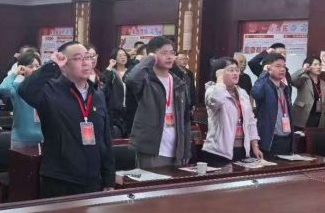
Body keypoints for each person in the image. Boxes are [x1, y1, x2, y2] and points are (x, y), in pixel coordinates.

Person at [18, 41, 114, 197]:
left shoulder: (97, 94)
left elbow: (105, 138)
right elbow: (25, 90)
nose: (86, 62)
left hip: (93, 179)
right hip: (60, 179)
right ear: (64, 65)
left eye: (88, 57)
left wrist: (109, 178)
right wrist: (52, 65)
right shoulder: (50, 90)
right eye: (78, 58)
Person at [126, 36, 192, 169]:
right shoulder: (146, 80)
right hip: (152, 148)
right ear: (153, 56)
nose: (169, 57)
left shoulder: (178, 83)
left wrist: (186, 150)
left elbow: (185, 119)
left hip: (176, 150)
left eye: (172, 53)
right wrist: (149, 59)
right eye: (164, 53)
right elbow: (131, 79)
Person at [202, 57, 261, 164]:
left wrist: (255, 146)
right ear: (219, 73)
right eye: (230, 70)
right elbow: (217, 101)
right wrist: (220, 81)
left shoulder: (242, 93)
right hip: (218, 151)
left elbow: (251, 121)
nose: (235, 73)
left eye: (237, 70)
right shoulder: (212, 90)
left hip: (242, 150)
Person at [252, 52, 294, 157]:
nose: (282, 69)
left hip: (287, 139)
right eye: (278, 66)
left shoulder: (285, 88)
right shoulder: (265, 86)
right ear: (268, 68)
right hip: (271, 140)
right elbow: (255, 93)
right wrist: (264, 73)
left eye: (284, 66)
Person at [0, 51, 43, 150]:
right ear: (23, 68)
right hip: (21, 138)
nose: (35, 69)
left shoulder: (45, 87)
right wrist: (15, 73)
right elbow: (3, 88)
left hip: (42, 138)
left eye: (37, 66)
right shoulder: (18, 87)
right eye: (30, 66)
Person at [291, 56, 325, 130]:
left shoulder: (323, 83)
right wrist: (303, 69)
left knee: (314, 135)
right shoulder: (303, 79)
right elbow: (292, 79)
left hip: (317, 115)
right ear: (309, 66)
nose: (318, 67)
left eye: (319, 64)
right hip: (303, 115)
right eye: (315, 64)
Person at [101, 47, 130, 138]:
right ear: (114, 58)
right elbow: (103, 81)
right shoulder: (112, 72)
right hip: (116, 110)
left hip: (128, 109)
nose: (123, 57)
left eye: (124, 55)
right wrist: (110, 66)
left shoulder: (130, 71)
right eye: (120, 56)